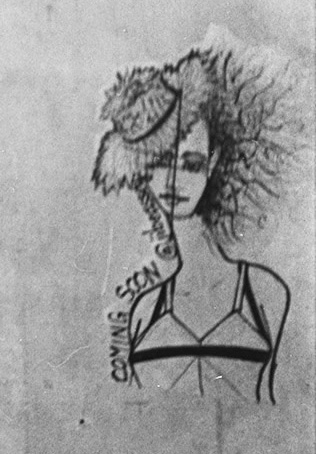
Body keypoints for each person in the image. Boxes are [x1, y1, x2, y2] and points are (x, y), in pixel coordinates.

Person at [92, 44, 294, 403]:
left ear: (212, 163)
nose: (173, 181)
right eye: (160, 162)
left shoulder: (266, 293)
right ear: (142, 170)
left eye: (190, 164)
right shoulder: (143, 311)